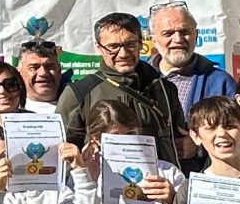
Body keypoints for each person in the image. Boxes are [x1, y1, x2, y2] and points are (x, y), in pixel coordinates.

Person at [60, 14, 186, 166]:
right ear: (99, 47)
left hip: (158, 185)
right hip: (102, 186)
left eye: (130, 44)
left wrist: (191, 147)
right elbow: (63, 152)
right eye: (113, 47)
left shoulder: (164, 89)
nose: (123, 54)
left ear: (141, 44)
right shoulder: (80, 93)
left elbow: (181, 141)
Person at [150, 4, 237, 122]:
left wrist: (197, 139)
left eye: (184, 32)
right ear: (154, 41)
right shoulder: (137, 78)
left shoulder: (220, 82)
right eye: (168, 33)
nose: (178, 39)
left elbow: (234, 128)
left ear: (196, 36)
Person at [18, 38, 69, 112]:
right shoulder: (9, 111)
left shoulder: (81, 109)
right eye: (34, 67)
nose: (43, 73)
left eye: (49, 66)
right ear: (19, 73)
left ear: (59, 71)